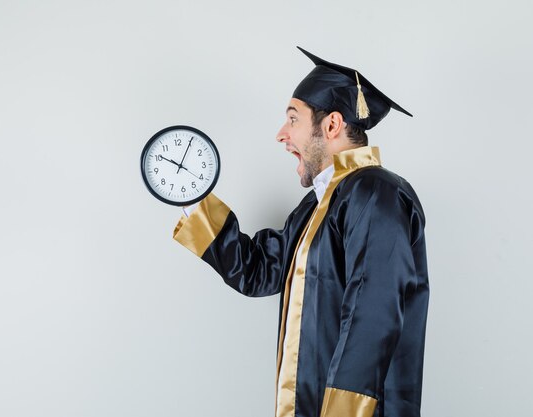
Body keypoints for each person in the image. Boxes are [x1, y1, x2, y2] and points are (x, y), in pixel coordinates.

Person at [173, 47, 429, 417]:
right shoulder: (317, 204)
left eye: (292, 119)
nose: (281, 134)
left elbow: (371, 318)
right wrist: (190, 195)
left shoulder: (375, 193)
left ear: (331, 125)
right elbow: (258, 270)